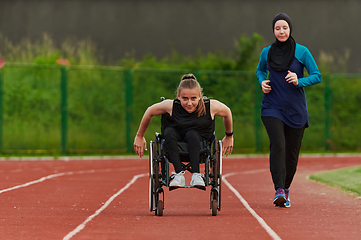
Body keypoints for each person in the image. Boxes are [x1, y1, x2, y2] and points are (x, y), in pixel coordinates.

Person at [256, 13, 321, 207]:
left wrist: (299, 80)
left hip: (296, 109)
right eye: (277, 28)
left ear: (290, 29)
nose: (281, 31)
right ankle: (279, 190)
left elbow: (317, 75)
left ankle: (286, 187)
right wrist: (262, 82)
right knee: (278, 144)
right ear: (273, 31)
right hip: (272, 106)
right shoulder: (266, 52)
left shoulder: (302, 52)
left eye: (284, 27)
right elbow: (260, 70)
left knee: (292, 153)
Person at [134, 74, 233, 187]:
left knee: (192, 134)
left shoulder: (210, 106)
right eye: (184, 98)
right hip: (175, 141)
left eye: (193, 98)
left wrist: (229, 135)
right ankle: (178, 174)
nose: (189, 103)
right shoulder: (171, 105)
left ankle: (196, 174)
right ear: (178, 96)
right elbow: (150, 111)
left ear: (200, 96)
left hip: (200, 144)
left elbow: (227, 112)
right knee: (169, 132)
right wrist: (139, 136)